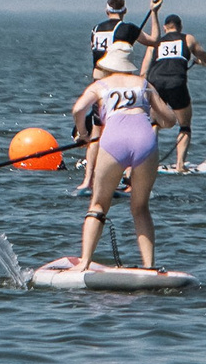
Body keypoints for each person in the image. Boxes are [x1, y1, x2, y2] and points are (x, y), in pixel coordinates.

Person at [65, 29, 180, 271]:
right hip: (145, 141)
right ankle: (149, 266)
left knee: (98, 205)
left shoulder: (100, 85)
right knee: (140, 207)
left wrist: (83, 134)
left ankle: (84, 262)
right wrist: (154, 117)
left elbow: (78, 109)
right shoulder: (143, 84)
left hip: (113, 139)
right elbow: (170, 121)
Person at [138, 0, 206, 176]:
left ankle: (149, 162)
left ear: (164, 28)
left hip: (155, 84)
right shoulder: (188, 39)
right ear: (180, 27)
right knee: (185, 124)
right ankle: (180, 165)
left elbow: (143, 71)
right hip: (176, 83)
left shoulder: (155, 43)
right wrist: (200, 62)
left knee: (154, 123)